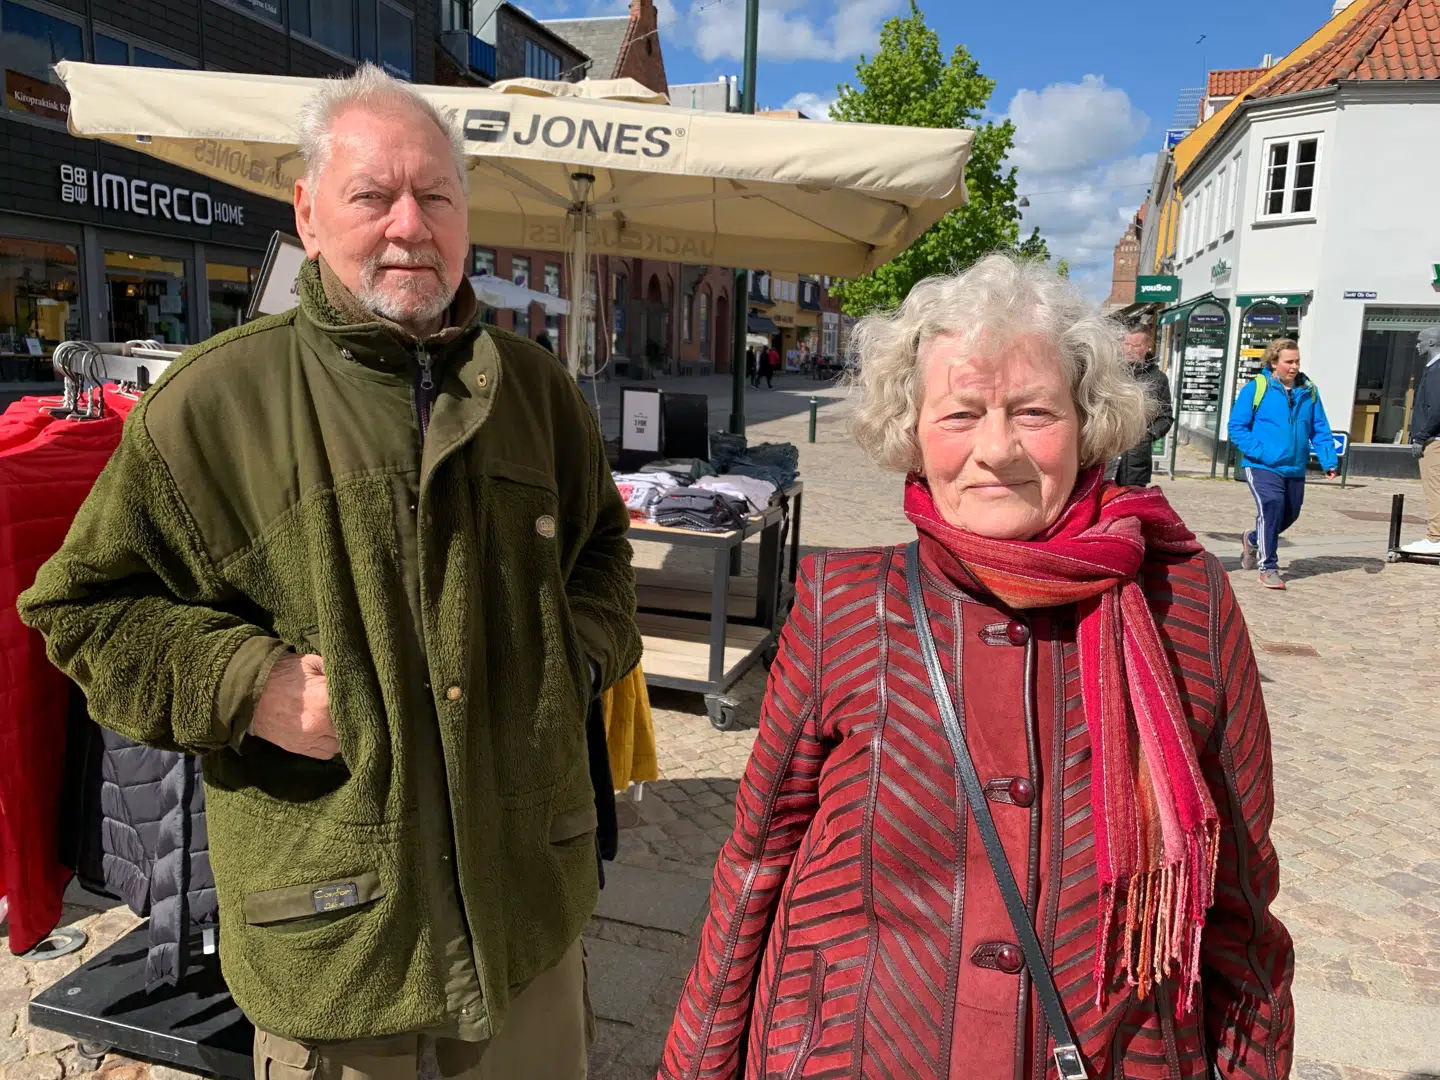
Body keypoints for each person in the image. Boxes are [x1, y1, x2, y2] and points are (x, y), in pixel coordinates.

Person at [19, 65, 640, 1080]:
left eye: (436, 195)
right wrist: (243, 683)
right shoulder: (216, 406)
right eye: (372, 195)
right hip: (338, 955)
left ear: (465, 213)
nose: (409, 225)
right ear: (309, 213)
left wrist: (570, 657)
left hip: (527, 921)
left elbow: (603, 555)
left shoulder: (539, 394)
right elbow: (83, 610)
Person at [660, 254, 1293, 1080]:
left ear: (1087, 419)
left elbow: (1241, 906)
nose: (997, 450)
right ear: (912, 430)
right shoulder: (843, 605)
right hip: (856, 1053)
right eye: (961, 413)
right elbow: (756, 860)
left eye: (1033, 411)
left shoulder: (1186, 603)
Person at [1227, 337, 1337, 589]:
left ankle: (1252, 538)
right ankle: (1269, 567)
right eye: (1289, 361)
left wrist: (1328, 460)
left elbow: (1320, 428)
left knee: (1289, 513)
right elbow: (1236, 427)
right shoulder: (1257, 388)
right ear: (1274, 362)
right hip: (1261, 465)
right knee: (1271, 506)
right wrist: (1262, 452)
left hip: (1295, 466)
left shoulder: (1309, 391)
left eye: (1297, 361)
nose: (1294, 366)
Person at [1112, 325, 1173, 486]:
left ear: (1147, 347)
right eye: (1126, 344)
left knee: (1131, 507)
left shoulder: (1158, 379)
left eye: (1136, 345)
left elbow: (1165, 417)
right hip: (1106, 458)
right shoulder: (1109, 372)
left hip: (1136, 461)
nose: (1129, 350)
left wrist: (1146, 436)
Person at [1403, 326, 1440, 555]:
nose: (1417, 345)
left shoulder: (1436, 370)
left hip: (1434, 441)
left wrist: (1421, 436)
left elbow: (1436, 408)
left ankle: (1435, 537)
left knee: (1434, 488)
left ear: (1432, 343)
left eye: (1420, 341)